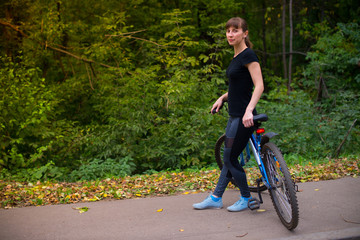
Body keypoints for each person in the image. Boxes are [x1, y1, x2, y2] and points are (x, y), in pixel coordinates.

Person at [193, 17, 264, 212]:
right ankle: (216, 197)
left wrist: (249, 110)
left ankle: (246, 198)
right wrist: (222, 98)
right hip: (234, 115)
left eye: (235, 30)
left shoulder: (249, 55)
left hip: (244, 117)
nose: (230, 34)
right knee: (228, 156)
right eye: (228, 31)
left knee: (230, 158)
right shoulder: (236, 58)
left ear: (245, 33)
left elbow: (259, 86)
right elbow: (238, 87)